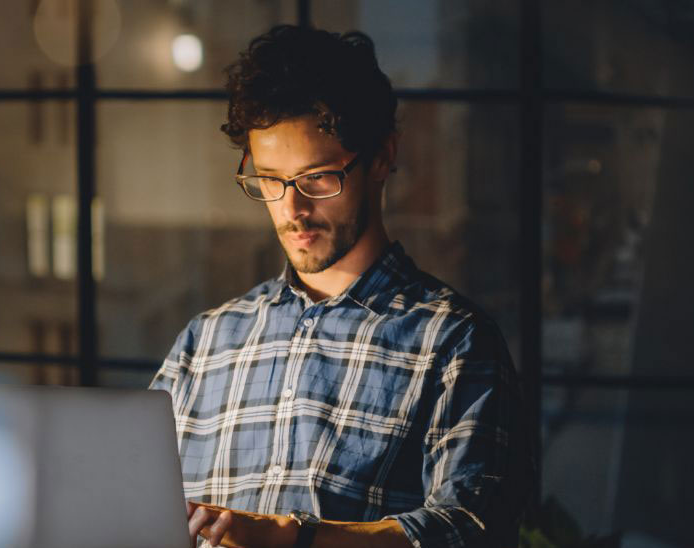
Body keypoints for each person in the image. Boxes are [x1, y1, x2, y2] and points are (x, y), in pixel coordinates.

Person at [150, 25, 534, 548]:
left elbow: (469, 531)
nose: (292, 210)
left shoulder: (455, 343)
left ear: (381, 157)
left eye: (317, 178)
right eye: (269, 179)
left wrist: (291, 540)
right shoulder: (206, 342)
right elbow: (130, 507)